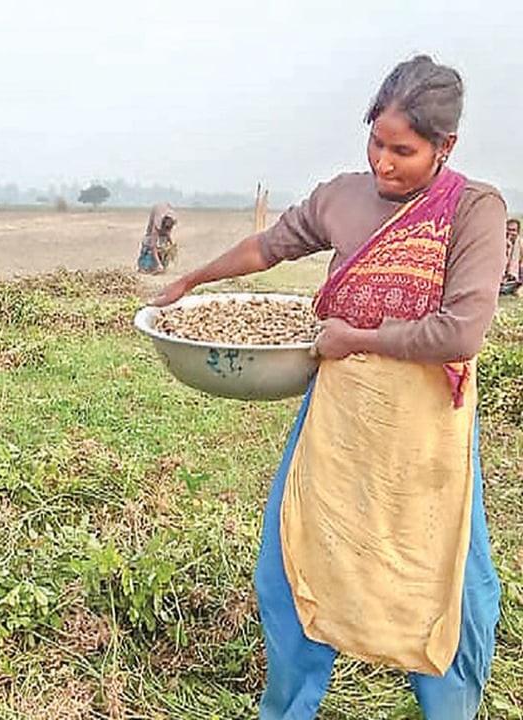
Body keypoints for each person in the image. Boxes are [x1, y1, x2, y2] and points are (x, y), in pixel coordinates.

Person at [155, 56, 504, 718]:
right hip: (340, 418)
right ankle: (289, 707)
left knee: (446, 588)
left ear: (445, 147)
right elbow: (269, 247)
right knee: (290, 571)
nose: (383, 162)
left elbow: (462, 332)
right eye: (376, 140)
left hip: (427, 430)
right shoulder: (342, 196)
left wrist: (359, 339)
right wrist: (194, 279)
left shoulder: (473, 209)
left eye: (403, 150)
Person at [137, 203, 177, 274]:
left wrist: (171, 245)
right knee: (148, 245)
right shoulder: (156, 224)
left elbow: (167, 233)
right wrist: (158, 264)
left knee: (163, 247)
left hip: (164, 211)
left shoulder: (171, 221)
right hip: (150, 236)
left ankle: (160, 264)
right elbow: (153, 246)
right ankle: (144, 266)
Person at [501, 218, 520, 296]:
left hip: (514, 278)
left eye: (513, 230)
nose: (510, 232)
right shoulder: (500, 242)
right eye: (508, 229)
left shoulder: (520, 244)